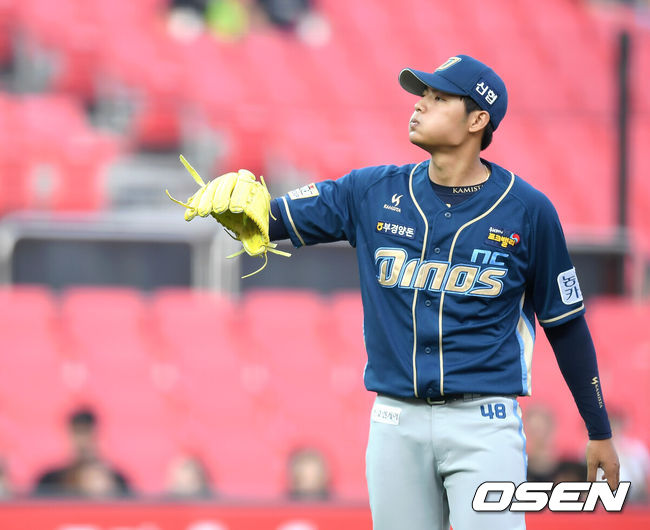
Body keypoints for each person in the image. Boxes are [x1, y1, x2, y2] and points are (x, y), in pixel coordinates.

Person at [171, 54, 620, 529]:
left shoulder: (528, 211)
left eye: (439, 98)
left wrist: (598, 430)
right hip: (395, 419)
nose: (420, 105)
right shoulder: (371, 191)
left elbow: (565, 325)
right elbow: (272, 217)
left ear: (477, 120)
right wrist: (239, 209)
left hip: (484, 421)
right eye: (422, 95)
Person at [33, 408, 131, 498]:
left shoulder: (116, 481)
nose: (83, 442)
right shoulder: (49, 481)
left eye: (87, 433)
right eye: (78, 433)